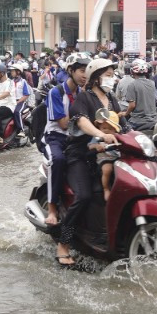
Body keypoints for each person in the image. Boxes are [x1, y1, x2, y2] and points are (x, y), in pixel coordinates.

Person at [58, 58, 124, 267]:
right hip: (80, 154)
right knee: (84, 195)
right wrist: (99, 134)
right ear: (96, 77)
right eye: (108, 75)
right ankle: (64, 244)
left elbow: (124, 125)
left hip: (105, 155)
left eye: (113, 75)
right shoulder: (85, 98)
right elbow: (81, 120)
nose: (112, 79)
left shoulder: (112, 99)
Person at [43, 53, 90, 226]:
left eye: (88, 72)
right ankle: (52, 209)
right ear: (70, 70)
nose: (85, 75)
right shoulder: (56, 92)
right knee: (58, 160)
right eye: (81, 71)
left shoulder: (82, 92)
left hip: (77, 139)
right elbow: (63, 124)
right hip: (55, 138)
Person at [90, 110, 122, 201]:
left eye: (110, 129)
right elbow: (90, 146)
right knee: (107, 169)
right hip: (104, 158)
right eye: (103, 128)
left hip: (117, 158)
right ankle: (106, 188)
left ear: (115, 130)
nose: (106, 131)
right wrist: (97, 146)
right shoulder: (97, 137)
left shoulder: (118, 137)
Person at [123, 60, 157, 130]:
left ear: (132, 71)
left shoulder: (132, 85)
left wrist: (125, 113)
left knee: (123, 130)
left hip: (137, 121)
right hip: (153, 120)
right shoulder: (152, 83)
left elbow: (132, 105)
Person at [9, 63, 31, 137]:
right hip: (11, 101)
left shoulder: (23, 81)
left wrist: (18, 102)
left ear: (18, 72)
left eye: (13, 71)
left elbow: (26, 95)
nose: (11, 72)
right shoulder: (11, 82)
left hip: (21, 102)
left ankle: (22, 129)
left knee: (17, 112)